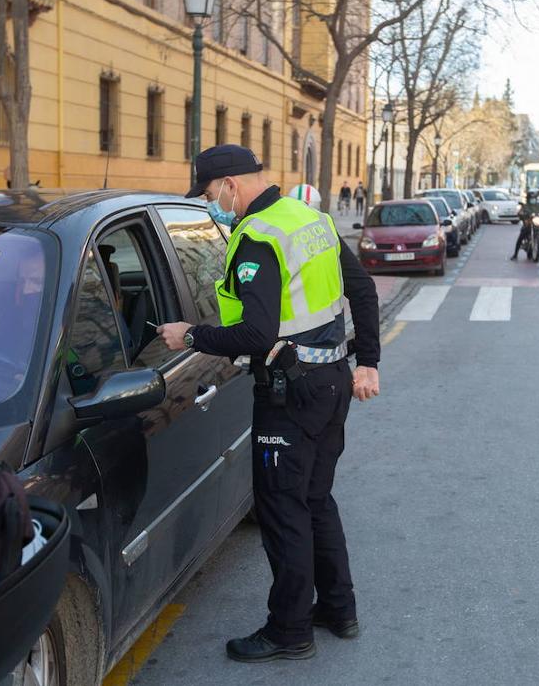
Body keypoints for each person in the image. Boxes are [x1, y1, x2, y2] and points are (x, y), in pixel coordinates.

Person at [157, 144, 381, 663]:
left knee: (283, 510)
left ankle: (289, 630)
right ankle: (339, 610)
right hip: (330, 381)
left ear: (230, 185)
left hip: (290, 392)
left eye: (212, 194)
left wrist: (191, 336)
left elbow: (256, 333)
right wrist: (367, 360)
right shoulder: (312, 219)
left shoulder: (257, 237)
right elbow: (363, 289)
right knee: (316, 499)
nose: (214, 204)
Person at [510, 191, 539, 260]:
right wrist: (522, 214)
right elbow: (520, 212)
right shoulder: (525, 206)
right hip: (528, 224)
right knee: (521, 236)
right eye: (531, 198)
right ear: (528, 199)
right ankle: (515, 254)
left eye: (534, 198)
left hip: (537, 222)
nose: (533, 199)